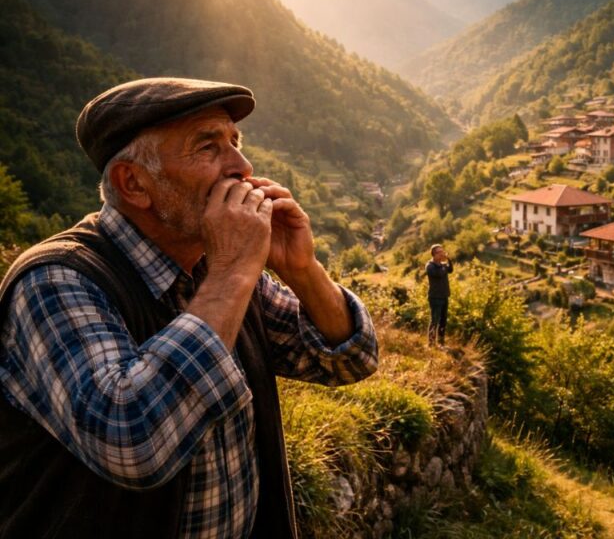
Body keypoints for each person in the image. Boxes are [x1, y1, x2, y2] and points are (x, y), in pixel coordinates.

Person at [0, 78, 379, 539]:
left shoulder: (215, 270)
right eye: (208, 146)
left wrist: (302, 269)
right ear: (134, 184)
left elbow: (350, 359)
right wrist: (233, 272)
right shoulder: (55, 282)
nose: (242, 166)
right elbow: (134, 445)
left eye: (235, 142)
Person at [425, 244, 454, 346]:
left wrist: (448, 260)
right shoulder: (430, 266)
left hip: (444, 296)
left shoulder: (442, 265)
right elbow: (439, 274)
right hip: (435, 297)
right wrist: (443, 265)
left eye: (442, 251)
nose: (442, 253)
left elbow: (450, 270)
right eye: (440, 252)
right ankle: (431, 343)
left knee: (443, 320)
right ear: (434, 254)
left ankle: (441, 342)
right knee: (435, 320)